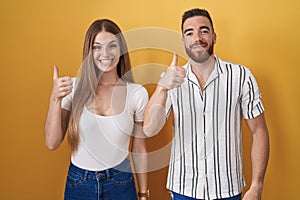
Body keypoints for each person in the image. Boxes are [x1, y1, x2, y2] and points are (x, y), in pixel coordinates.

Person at [144, 8, 270, 200]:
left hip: (228, 189)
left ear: (214, 36)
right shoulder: (170, 79)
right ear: (183, 41)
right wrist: (162, 88)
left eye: (204, 30)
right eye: (189, 32)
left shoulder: (241, 76)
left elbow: (259, 131)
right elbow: (149, 130)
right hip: (184, 190)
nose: (197, 37)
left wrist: (256, 186)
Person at [44, 19, 149, 200]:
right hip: (79, 184)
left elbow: (139, 148)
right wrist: (55, 99)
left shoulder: (136, 93)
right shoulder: (73, 88)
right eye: (97, 47)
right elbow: (52, 143)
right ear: (89, 52)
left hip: (121, 183)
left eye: (112, 46)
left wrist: (144, 193)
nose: (105, 53)